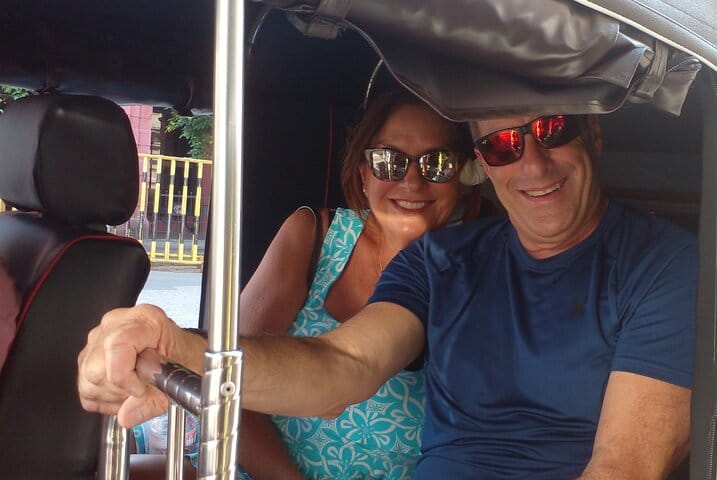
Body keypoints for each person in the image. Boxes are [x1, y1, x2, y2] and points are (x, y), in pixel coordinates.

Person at [78, 112, 696, 479]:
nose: (532, 164)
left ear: (593, 133)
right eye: (503, 144)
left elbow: (624, 469)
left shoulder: (664, 265)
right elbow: (343, 363)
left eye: (552, 130)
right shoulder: (443, 260)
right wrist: (180, 349)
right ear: (484, 162)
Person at [128, 87, 485, 479]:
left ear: (464, 176)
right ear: (364, 173)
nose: (412, 181)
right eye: (389, 161)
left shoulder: (484, 274)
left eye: (437, 163)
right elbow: (230, 394)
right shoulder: (315, 238)